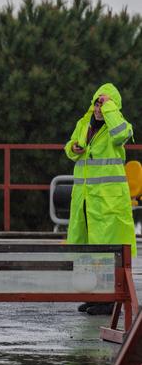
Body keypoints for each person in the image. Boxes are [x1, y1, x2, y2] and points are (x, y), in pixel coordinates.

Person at [64, 83, 135, 316]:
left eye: (103, 104)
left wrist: (110, 109)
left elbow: (122, 134)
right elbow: (69, 148)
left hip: (108, 202)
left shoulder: (117, 126)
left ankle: (109, 300)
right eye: (97, 103)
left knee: (106, 251)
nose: (98, 108)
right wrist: (73, 148)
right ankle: (94, 296)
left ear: (112, 107)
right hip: (85, 199)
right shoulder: (84, 123)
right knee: (87, 249)